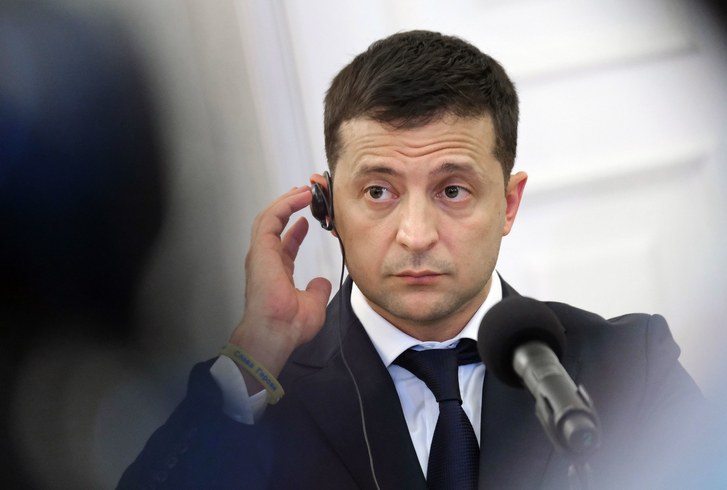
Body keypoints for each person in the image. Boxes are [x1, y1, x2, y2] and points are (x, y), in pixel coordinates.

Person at [118, 30, 705, 489]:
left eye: (452, 190)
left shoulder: (631, 366)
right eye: (378, 191)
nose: (416, 235)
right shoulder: (259, 397)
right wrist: (253, 356)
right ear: (328, 206)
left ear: (508, 204)